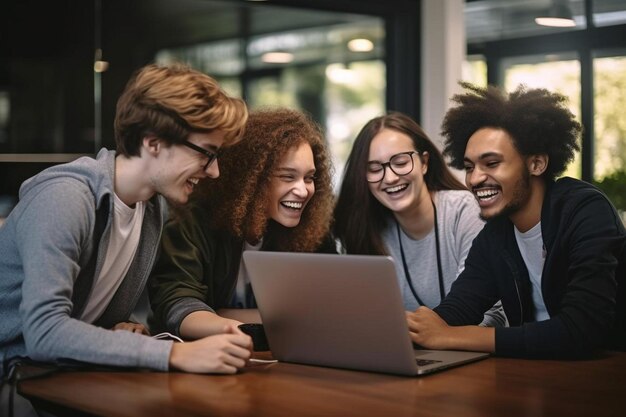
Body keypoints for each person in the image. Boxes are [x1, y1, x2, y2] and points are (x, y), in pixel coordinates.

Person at [0, 63, 253, 383]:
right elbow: (44, 331)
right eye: (206, 153)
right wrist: (174, 354)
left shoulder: (151, 208)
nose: (214, 171)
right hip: (14, 381)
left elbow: (86, 307)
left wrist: (122, 325)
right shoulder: (65, 199)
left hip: (59, 376)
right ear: (153, 142)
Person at [408, 82, 626, 358]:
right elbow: (458, 309)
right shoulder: (495, 235)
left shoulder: (584, 211)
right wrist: (410, 328)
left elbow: (581, 329)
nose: (474, 179)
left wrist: (451, 336)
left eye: (491, 163)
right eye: (469, 167)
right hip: (536, 376)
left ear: (536, 164)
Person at [149, 108, 335, 342]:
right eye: (287, 177)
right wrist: (260, 325)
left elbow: (326, 312)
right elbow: (177, 304)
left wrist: (223, 314)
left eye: (309, 178)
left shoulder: (310, 229)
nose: (303, 190)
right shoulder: (195, 220)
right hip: (196, 357)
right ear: (251, 178)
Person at [333, 112, 506, 328]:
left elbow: (493, 314)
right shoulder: (368, 229)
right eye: (375, 169)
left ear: (424, 162)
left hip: (473, 353)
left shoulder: (465, 210)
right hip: (409, 355)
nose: (390, 178)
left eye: (401, 162)